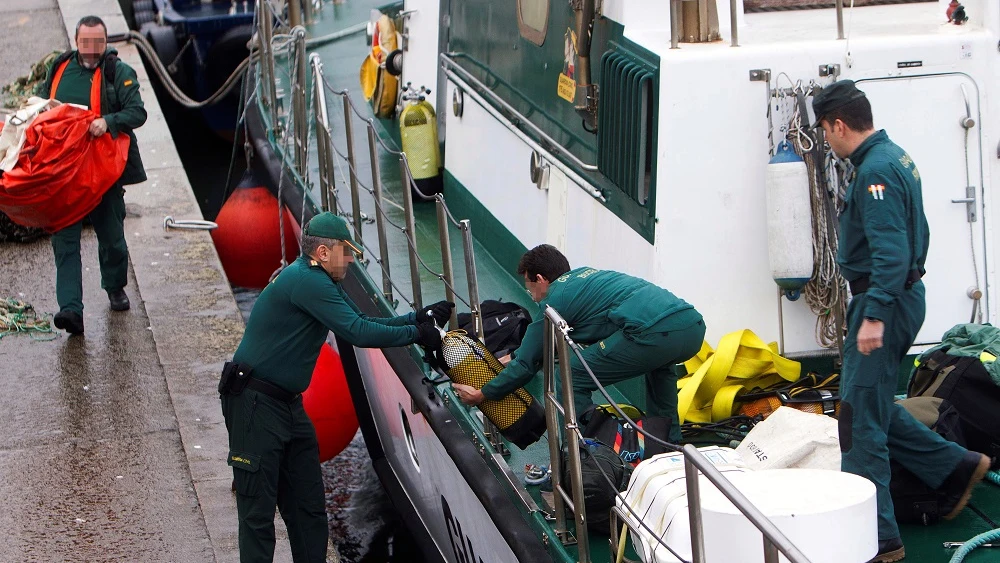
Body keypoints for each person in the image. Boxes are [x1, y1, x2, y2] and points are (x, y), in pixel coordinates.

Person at [813, 80, 990, 563]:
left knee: (857, 426)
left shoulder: (875, 172)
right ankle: (956, 468)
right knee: (867, 403)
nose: (826, 140)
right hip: (899, 298)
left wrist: (873, 316)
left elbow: (891, 252)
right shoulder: (896, 156)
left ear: (839, 125)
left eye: (826, 131)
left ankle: (878, 539)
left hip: (883, 304)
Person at [219, 212, 450, 562]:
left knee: (309, 509)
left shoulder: (322, 280)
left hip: (287, 405)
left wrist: (416, 318)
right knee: (258, 515)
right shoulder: (307, 280)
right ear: (324, 253)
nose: (352, 259)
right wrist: (417, 334)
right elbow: (357, 334)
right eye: (347, 251)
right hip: (254, 404)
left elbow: (362, 321)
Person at [453, 244, 704, 443]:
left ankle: (585, 454)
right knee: (659, 367)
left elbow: (526, 366)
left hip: (652, 333)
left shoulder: (555, 299)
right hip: (691, 328)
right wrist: (517, 355)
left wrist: (482, 394)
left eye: (530, 289)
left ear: (541, 279)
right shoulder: (588, 278)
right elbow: (537, 349)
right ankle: (668, 443)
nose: (532, 296)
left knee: (571, 373)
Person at [36, 16, 148, 335]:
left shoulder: (118, 72)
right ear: (75, 40)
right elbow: (42, 105)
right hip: (64, 173)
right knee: (64, 240)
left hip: (103, 173)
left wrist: (109, 122)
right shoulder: (59, 68)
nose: (91, 49)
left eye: (97, 42)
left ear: (105, 41)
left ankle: (114, 286)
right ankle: (71, 309)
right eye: (85, 42)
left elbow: (137, 113)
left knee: (111, 236)